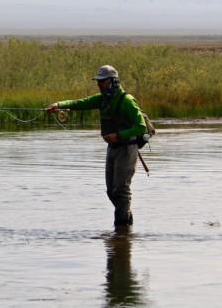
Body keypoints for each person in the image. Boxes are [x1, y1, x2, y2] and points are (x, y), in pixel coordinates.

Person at [46, 65, 147, 227]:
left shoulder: (126, 101)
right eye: (98, 81)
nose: (98, 84)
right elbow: (80, 103)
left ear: (113, 81)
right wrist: (58, 105)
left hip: (127, 148)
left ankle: (121, 228)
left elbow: (141, 126)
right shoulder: (102, 99)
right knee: (111, 191)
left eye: (102, 81)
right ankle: (125, 225)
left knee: (121, 190)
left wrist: (119, 135)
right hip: (112, 149)